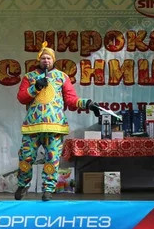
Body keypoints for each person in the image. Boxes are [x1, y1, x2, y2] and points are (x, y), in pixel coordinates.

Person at [15, 42, 101, 201]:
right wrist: (35, 88)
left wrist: (87, 103)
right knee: (26, 157)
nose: (46, 61)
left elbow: (71, 99)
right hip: (32, 127)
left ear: (53, 60)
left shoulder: (62, 77)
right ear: (38, 59)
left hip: (55, 126)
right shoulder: (29, 77)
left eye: (49, 58)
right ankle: (23, 184)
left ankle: (48, 189)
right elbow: (21, 97)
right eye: (43, 58)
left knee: (52, 159)